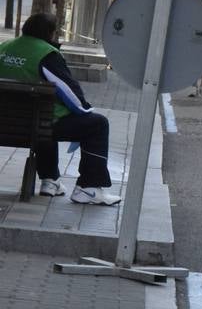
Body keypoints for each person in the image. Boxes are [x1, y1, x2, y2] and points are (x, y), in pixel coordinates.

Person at [0, 13, 122, 204]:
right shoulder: (46, 54)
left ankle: (50, 181)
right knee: (97, 124)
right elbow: (68, 91)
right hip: (38, 125)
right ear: (50, 33)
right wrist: (85, 110)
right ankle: (88, 188)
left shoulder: (3, 48)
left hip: (6, 126)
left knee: (42, 120)